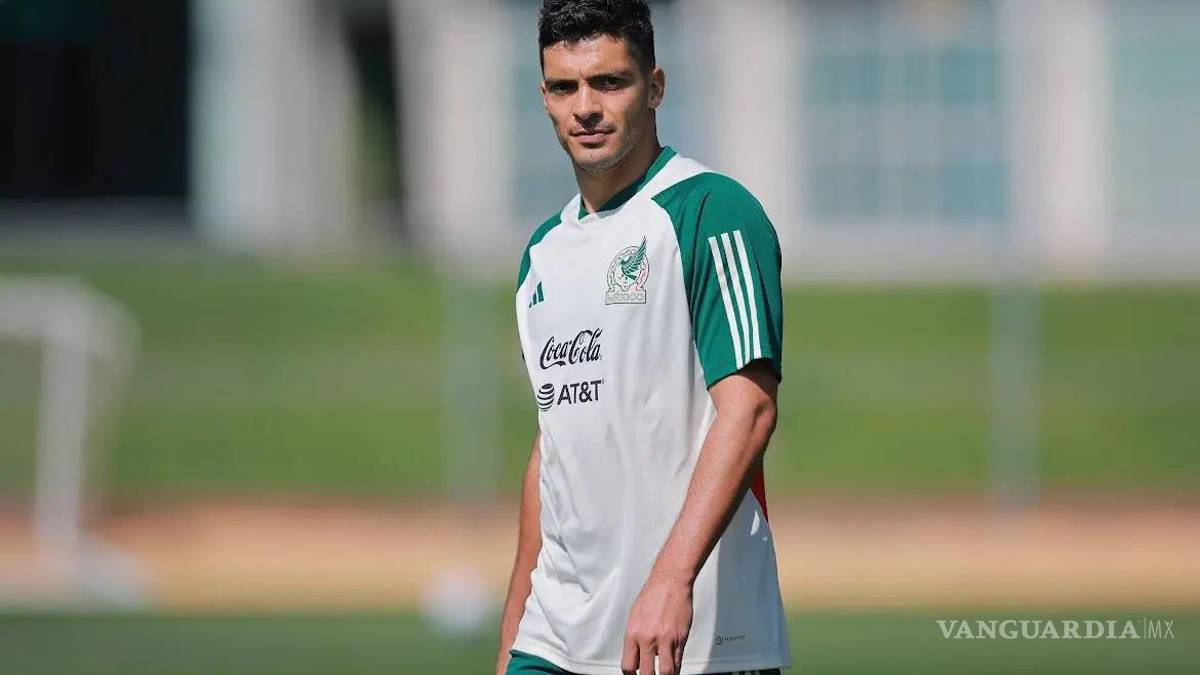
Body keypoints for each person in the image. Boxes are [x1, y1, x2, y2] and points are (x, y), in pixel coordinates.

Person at [500, 2, 789, 674]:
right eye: (565, 87)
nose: (586, 107)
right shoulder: (541, 254)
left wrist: (670, 579)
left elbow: (749, 409)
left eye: (609, 82)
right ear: (544, 97)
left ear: (654, 87)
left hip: (696, 640)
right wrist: (515, 634)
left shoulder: (711, 212)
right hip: (554, 642)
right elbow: (553, 448)